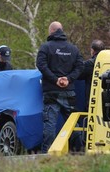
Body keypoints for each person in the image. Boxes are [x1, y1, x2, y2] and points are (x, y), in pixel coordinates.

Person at [36, 21, 84, 153]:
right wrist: (68, 79)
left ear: (51, 31)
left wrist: (55, 79)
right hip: (69, 92)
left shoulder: (46, 47)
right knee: (73, 123)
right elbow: (80, 66)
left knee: (50, 123)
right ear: (61, 31)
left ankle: (47, 153)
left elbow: (41, 65)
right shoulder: (73, 49)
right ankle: (79, 151)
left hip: (51, 91)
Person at [79, 39, 105, 111]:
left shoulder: (89, 64)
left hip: (92, 100)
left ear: (92, 51)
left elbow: (77, 75)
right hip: (107, 99)